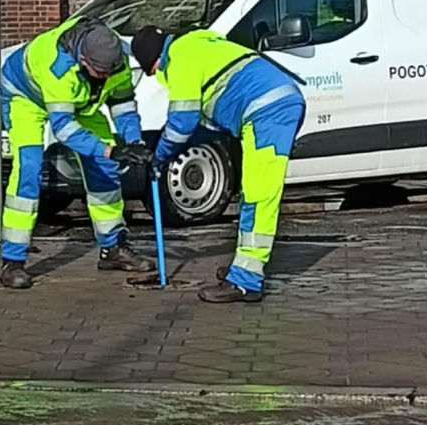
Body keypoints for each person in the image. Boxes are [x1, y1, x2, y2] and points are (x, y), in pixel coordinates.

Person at [131, 26, 306, 304]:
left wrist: (160, 156)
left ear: (154, 60)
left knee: (259, 197)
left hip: (269, 113)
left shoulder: (179, 57)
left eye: (152, 71)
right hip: (272, 106)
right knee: (253, 193)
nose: (156, 76)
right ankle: (243, 269)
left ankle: (247, 282)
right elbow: (203, 123)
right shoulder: (198, 46)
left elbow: (183, 122)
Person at [0, 14, 154, 289]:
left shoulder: (116, 58)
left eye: (110, 73)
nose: (107, 78)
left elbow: (122, 104)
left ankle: (113, 249)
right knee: (29, 169)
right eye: (100, 74)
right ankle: (13, 261)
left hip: (81, 103)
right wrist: (108, 150)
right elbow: (64, 129)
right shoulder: (58, 68)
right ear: (83, 62)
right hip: (25, 97)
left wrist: (134, 142)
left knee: (105, 171)